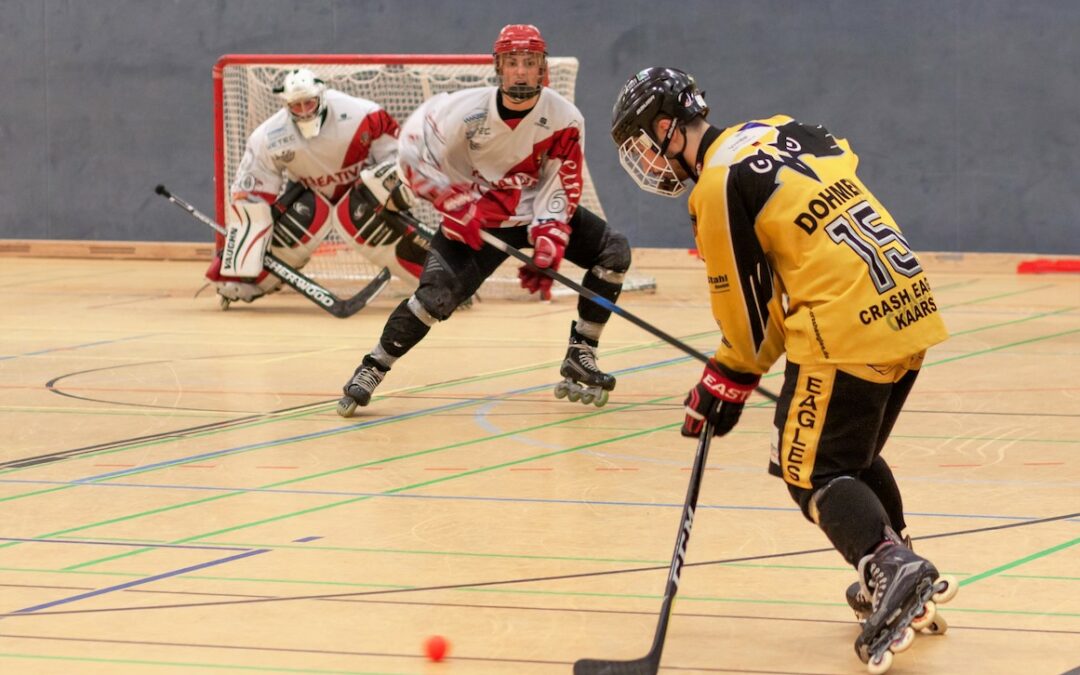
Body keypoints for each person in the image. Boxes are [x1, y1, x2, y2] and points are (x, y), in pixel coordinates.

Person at [610, 67, 957, 669]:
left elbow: (746, 314)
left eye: (644, 144)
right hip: (906, 300)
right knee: (851, 455)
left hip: (844, 325)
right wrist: (736, 374)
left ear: (666, 129)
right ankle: (895, 566)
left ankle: (891, 566)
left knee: (809, 469)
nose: (648, 162)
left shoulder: (715, 185)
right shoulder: (775, 131)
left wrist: (727, 376)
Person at [335, 24, 632, 416]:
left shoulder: (564, 118)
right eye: (513, 63)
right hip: (475, 218)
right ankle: (372, 367)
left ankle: (582, 351)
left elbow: (562, 182)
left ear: (543, 68)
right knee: (433, 300)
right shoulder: (465, 110)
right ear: (498, 67)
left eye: (530, 62)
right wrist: (449, 199)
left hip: (531, 216)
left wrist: (549, 241)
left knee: (613, 253)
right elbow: (411, 150)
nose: (522, 72)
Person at [206, 68, 428, 308]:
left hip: (363, 195)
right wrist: (240, 250)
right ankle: (251, 280)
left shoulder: (362, 113)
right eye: (296, 106)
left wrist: (400, 189)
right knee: (297, 214)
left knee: (368, 202)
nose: (303, 112)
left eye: (308, 103)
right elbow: (250, 192)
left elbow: (399, 157)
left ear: (321, 96)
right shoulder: (269, 136)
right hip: (310, 196)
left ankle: (436, 281)